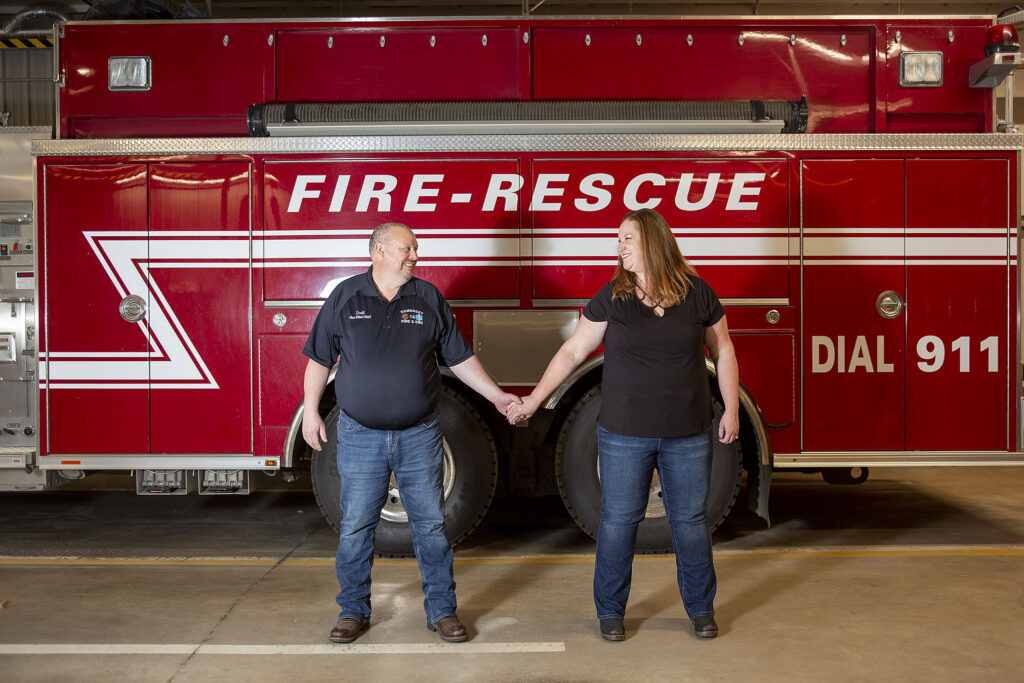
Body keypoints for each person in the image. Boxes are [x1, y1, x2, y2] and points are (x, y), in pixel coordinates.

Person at [506, 207, 739, 642]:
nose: (619, 246)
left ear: (652, 241)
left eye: (626, 238)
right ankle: (610, 612)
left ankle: (701, 609)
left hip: (688, 433)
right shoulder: (611, 296)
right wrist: (537, 399)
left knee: (690, 521)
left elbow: (723, 350)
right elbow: (574, 352)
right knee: (618, 521)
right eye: (618, 239)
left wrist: (731, 409)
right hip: (624, 434)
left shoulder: (698, 293)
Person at [302, 222, 520, 645]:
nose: (415, 256)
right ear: (379, 250)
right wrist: (311, 411)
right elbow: (318, 359)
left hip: (419, 435)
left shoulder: (427, 297)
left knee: (431, 527)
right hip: (360, 434)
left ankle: (442, 611)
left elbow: (460, 358)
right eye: (407, 249)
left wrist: (496, 396)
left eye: (416, 249)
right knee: (355, 528)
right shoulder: (345, 296)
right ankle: (352, 611)